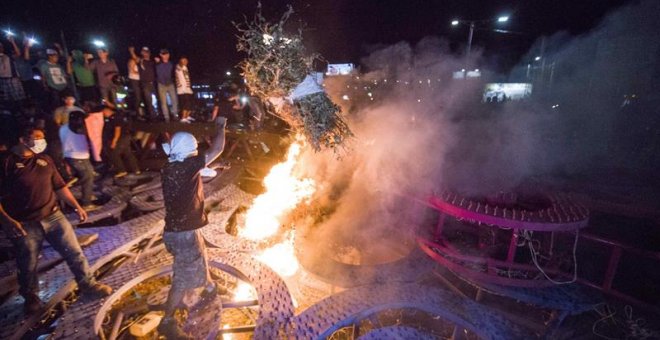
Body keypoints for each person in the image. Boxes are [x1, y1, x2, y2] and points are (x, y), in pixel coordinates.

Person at [0, 127, 112, 314]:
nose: (40, 142)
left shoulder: (45, 159)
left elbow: (59, 186)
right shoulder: (6, 163)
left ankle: (88, 285)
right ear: (22, 139)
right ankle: (30, 297)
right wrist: (7, 221)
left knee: (74, 252)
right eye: (36, 138)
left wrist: (76, 205)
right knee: (27, 263)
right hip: (25, 223)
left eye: (42, 138)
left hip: (54, 216)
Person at [157, 117, 227, 338]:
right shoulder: (186, 167)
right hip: (183, 234)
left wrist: (215, 166)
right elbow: (217, 147)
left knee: (201, 254)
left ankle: (208, 288)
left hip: (179, 230)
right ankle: (166, 321)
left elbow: (196, 169)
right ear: (190, 151)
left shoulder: (172, 167)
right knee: (182, 279)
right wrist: (220, 127)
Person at [60, 110, 97, 210]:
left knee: (83, 176)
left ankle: (86, 194)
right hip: (80, 157)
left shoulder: (63, 128)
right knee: (88, 178)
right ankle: (86, 203)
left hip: (69, 156)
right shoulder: (79, 129)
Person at [102, 106, 140, 178]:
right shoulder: (119, 114)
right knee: (127, 153)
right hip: (126, 136)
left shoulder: (115, 117)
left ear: (107, 110)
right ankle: (136, 169)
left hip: (121, 138)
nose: (104, 115)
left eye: (103, 113)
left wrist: (114, 141)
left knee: (113, 154)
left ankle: (121, 170)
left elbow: (117, 130)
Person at [129, 46, 157, 120]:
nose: (145, 53)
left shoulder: (152, 61)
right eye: (144, 52)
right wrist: (132, 51)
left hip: (154, 83)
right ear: (142, 53)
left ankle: (160, 114)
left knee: (159, 99)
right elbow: (135, 58)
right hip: (145, 83)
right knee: (149, 100)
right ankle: (153, 116)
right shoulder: (140, 61)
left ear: (149, 53)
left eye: (147, 52)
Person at [0, 39, 27, 109]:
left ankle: (21, 111)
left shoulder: (8, 56)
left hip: (13, 78)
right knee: (7, 99)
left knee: (18, 98)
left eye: (1, 46)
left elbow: (18, 53)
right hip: (2, 80)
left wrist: (12, 42)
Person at [155, 49, 178, 122]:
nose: (165, 56)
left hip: (170, 83)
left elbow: (174, 73)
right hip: (161, 84)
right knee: (163, 102)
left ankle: (175, 115)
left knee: (174, 100)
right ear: (161, 55)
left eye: (167, 54)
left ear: (169, 55)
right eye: (163, 54)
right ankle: (166, 117)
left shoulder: (171, 64)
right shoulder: (157, 63)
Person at [175, 56, 194, 123]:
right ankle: (183, 117)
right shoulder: (179, 67)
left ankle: (187, 116)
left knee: (189, 103)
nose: (185, 62)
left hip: (187, 88)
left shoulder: (185, 68)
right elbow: (180, 76)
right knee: (185, 104)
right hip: (182, 89)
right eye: (183, 61)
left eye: (186, 60)